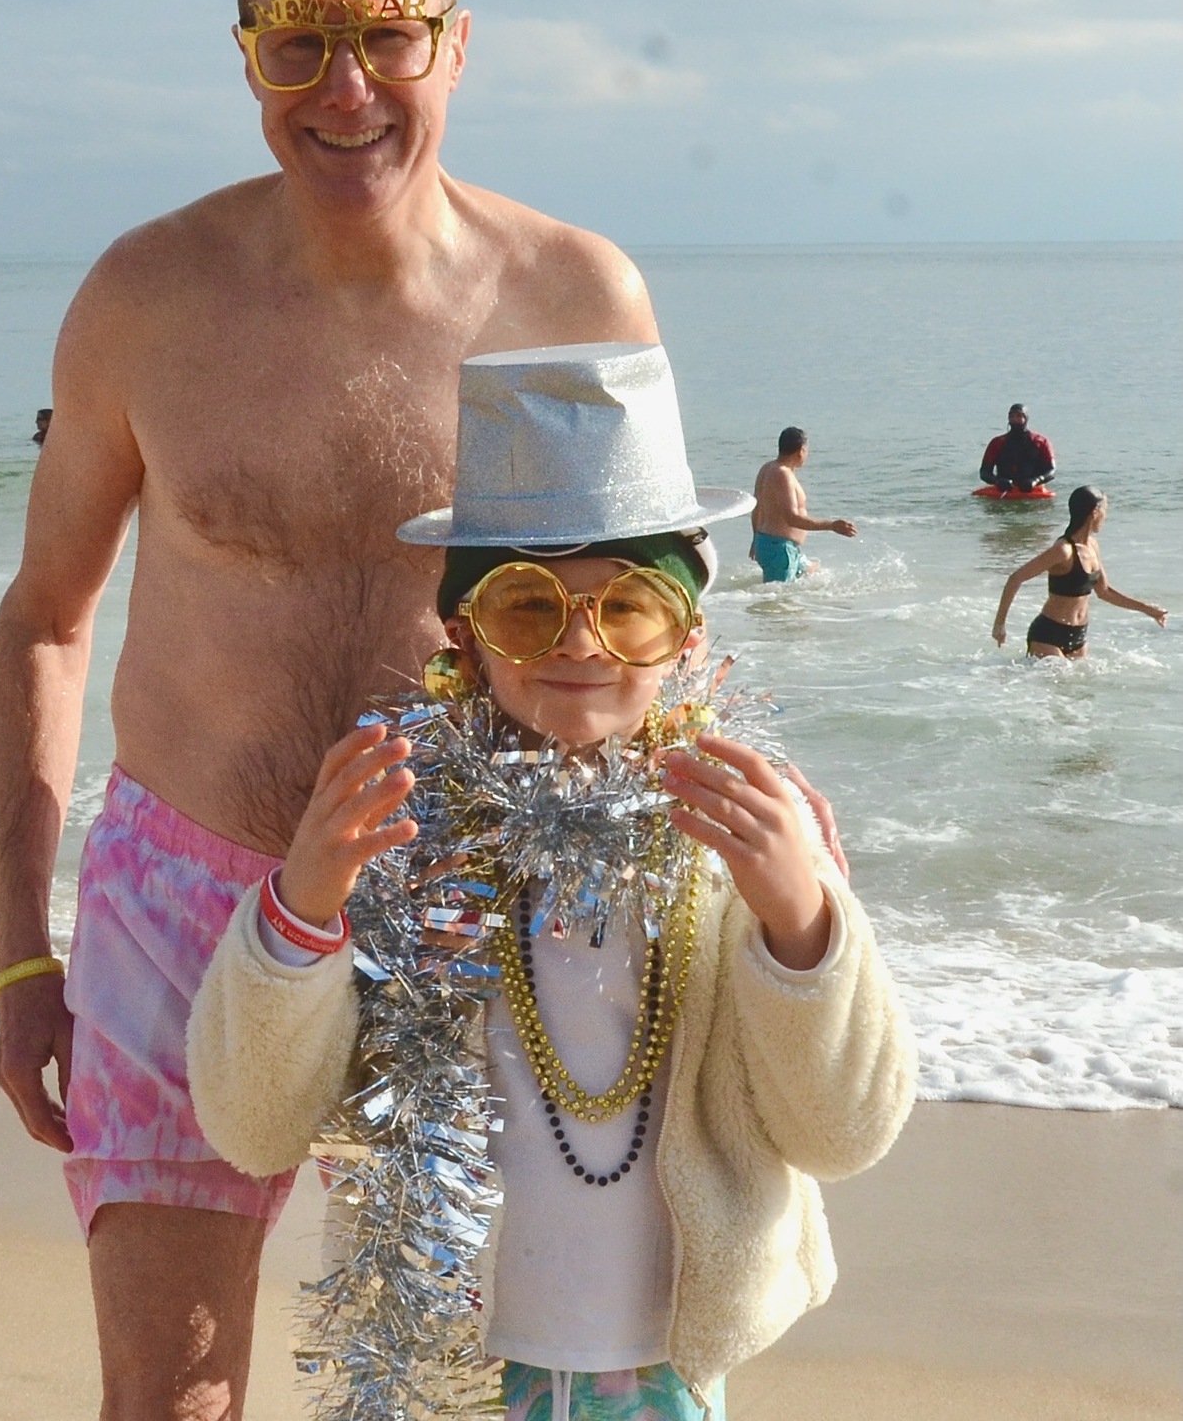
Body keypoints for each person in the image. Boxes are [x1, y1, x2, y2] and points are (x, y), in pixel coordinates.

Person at [0, 0, 661, 1419]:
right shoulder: (146, 299)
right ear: (245, 58)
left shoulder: (573, 295)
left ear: (458, 42)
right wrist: (26, 954)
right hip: (183, 897)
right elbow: (45, 622)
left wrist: (749, 886)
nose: (345, 87)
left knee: (494, 1386)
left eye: (389, 36)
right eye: (296, 41)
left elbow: (641, 642)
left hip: (469, 895)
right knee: (174, 1399)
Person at [187, 343, 916, 1421]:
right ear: (464, 639)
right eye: (529, 606)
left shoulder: (748, 828)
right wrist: (303, 908)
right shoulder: (403, 826)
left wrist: (799, 922)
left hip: (664, 1368)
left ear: (688, 637)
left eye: (630, 607)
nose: (582, 643)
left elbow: (844, 1132)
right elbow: (252, 1128)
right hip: (439, 1358)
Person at [992, 485, 1167, 659]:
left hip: (1079, 637)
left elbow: (1105, 592)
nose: (1106, 517)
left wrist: (1148, 609)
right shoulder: (1063, 550)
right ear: (1095, 512)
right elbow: (1016, 578)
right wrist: (999, 624)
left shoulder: (1092, 546)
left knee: (1078, 686)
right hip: (1048, 635)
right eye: (1105, 510)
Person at [748, 426, 856, 582]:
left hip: (775, 545)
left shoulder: (768, 468)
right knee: (776, 601)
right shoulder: (782, 474)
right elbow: (792, 518)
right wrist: (831, 525)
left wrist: (756, 538)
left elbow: (757, 507)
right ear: (800, 451)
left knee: (815, 572)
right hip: (780, 549)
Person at [979, 403, 1054, 493]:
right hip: (1004, 488)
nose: (1014, 419)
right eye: (1012, 416)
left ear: (1026, 418)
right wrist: (997, 481)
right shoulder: (997, 443)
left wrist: (1035, 481)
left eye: (1019, 416)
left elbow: (1051, 470)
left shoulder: (1041, 442)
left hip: (1032, 489)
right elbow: (984, 472)